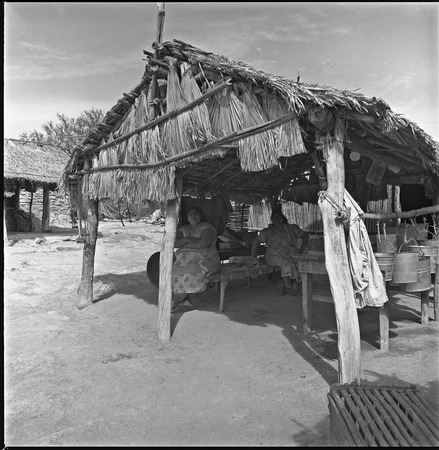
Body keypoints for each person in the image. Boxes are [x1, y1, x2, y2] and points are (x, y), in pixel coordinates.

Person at [172, 206, 221, 310]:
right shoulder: (183, 229)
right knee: (175, 271)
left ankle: (178, 299)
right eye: (190, 214)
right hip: (184, 260)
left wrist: (183, 244)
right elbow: (174, 243)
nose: (192, 215)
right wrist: (188, 239)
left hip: (206, 259)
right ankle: (184, 299)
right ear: (187, 217)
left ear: (201, 217)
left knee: (194, 270)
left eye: (196, 214)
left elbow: (204, 243)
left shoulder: (206, 227)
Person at [251, 210, 309, 296]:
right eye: (275, 218)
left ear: (283, 218)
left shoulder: (292, 228)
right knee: (285, 261)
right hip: (274, 254)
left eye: (279, 217)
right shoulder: (268, 231)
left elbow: (306, 236)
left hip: (292, 251)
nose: (277, 219)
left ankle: (294, 283)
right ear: (272, 220)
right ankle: (288, 285)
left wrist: (301, 252)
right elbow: (255, 243)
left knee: (298, 261)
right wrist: (253, 259)